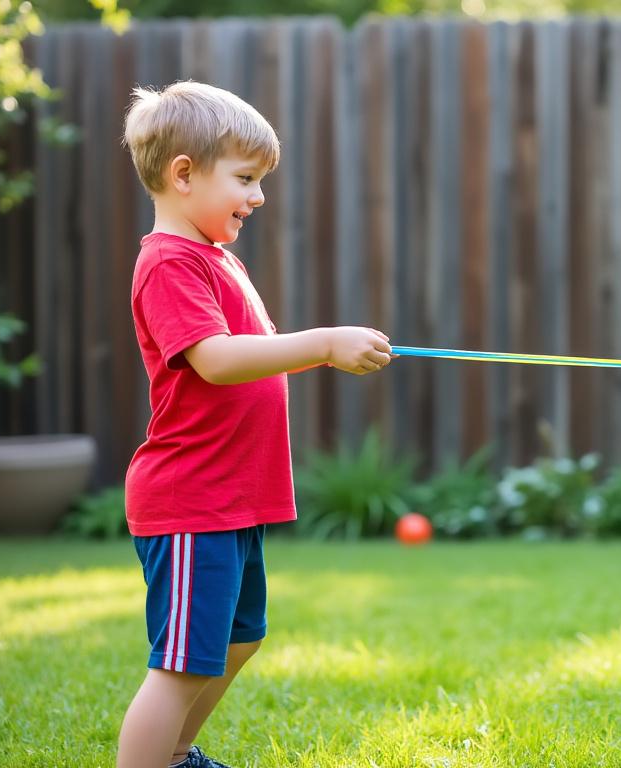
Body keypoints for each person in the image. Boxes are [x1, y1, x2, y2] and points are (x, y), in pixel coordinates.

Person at [118, 80, 392, 768]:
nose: (258, 196)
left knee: (239, 639)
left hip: (233, 500)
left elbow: (248, 356)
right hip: (191, 499)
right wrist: (324, 343)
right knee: (179, 665)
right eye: (245, 178)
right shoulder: (169, 263)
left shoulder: (216, 259)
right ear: (184, 174)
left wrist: (323, 349)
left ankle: (177, 755)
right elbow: (213, 360)